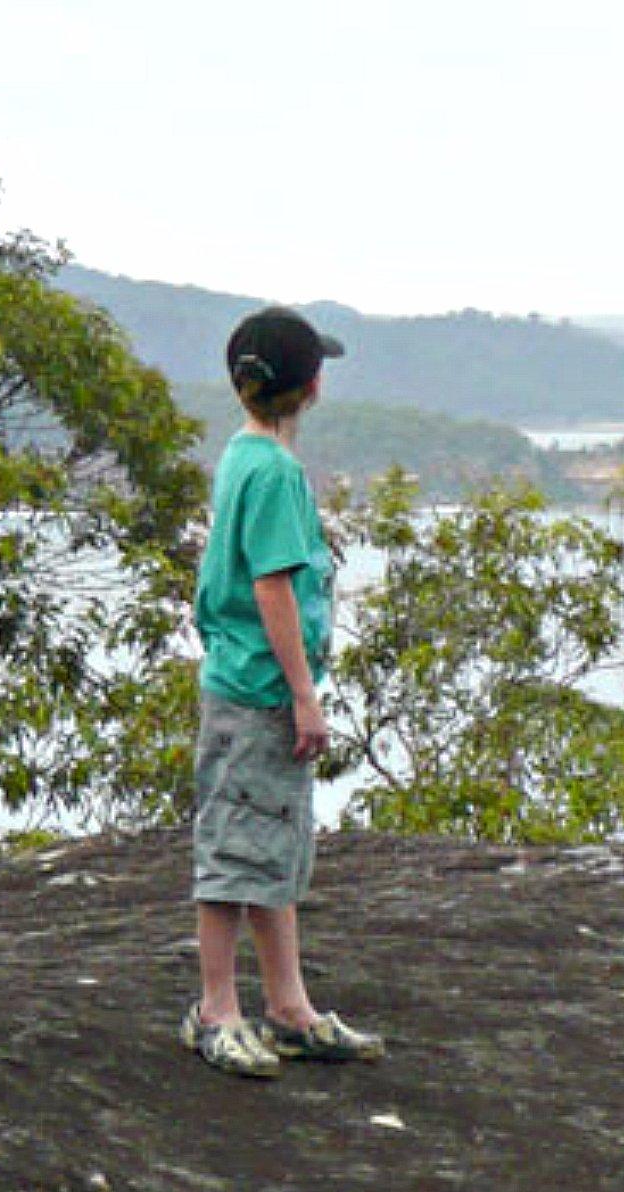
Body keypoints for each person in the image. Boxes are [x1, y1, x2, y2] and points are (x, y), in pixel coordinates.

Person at [181, 305, 384, 1077]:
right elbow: (272, 587)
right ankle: (218, 1010)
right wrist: (305, 694)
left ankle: (288, 1004)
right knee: (234, 852)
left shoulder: (243, 454)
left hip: (250, 682)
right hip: (259, 689)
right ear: (312, 386)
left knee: (273, 849)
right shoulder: (274, 473)